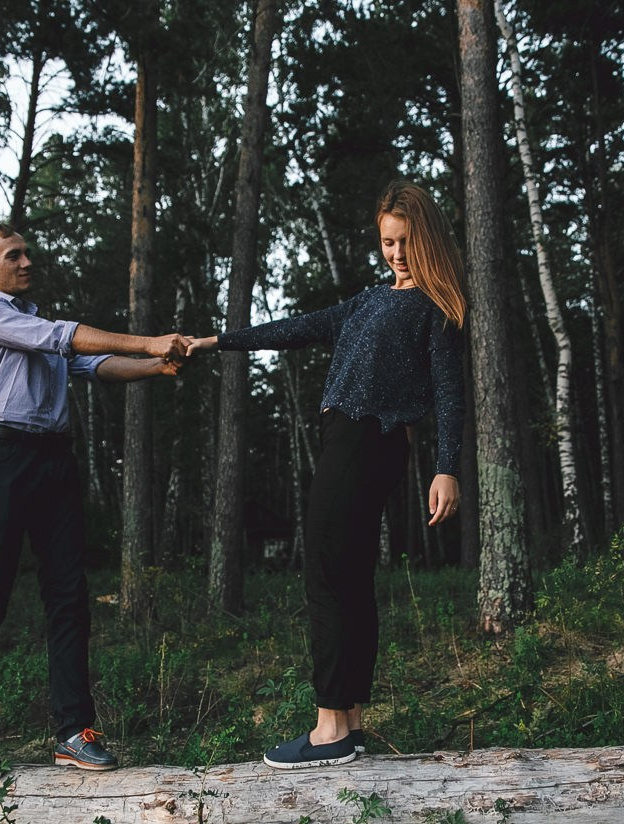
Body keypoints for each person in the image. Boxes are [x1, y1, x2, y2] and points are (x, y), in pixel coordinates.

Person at [185, 179, 466, 769]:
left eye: (405, 242)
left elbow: (448, 392)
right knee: (350, 578)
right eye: (387, 242)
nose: (395, 253)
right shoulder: (368, 301)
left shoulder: (435, 308)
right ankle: (353, 721)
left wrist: (447, 469)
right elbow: (296, 328)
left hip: (370, 443)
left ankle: (329, 727)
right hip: (349, 441)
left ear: (428, 240)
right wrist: (216, 341)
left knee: (327, 576)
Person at [0, 221, 190, 777]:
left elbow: (92, 363)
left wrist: (157, 364)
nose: (27, 261)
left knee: (69, 599)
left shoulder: (34, 321)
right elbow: (67, 338)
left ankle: (73, 733)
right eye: (13, 254)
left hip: (53, 462)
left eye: (29, 252)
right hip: (0, 461)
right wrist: (148, 339)